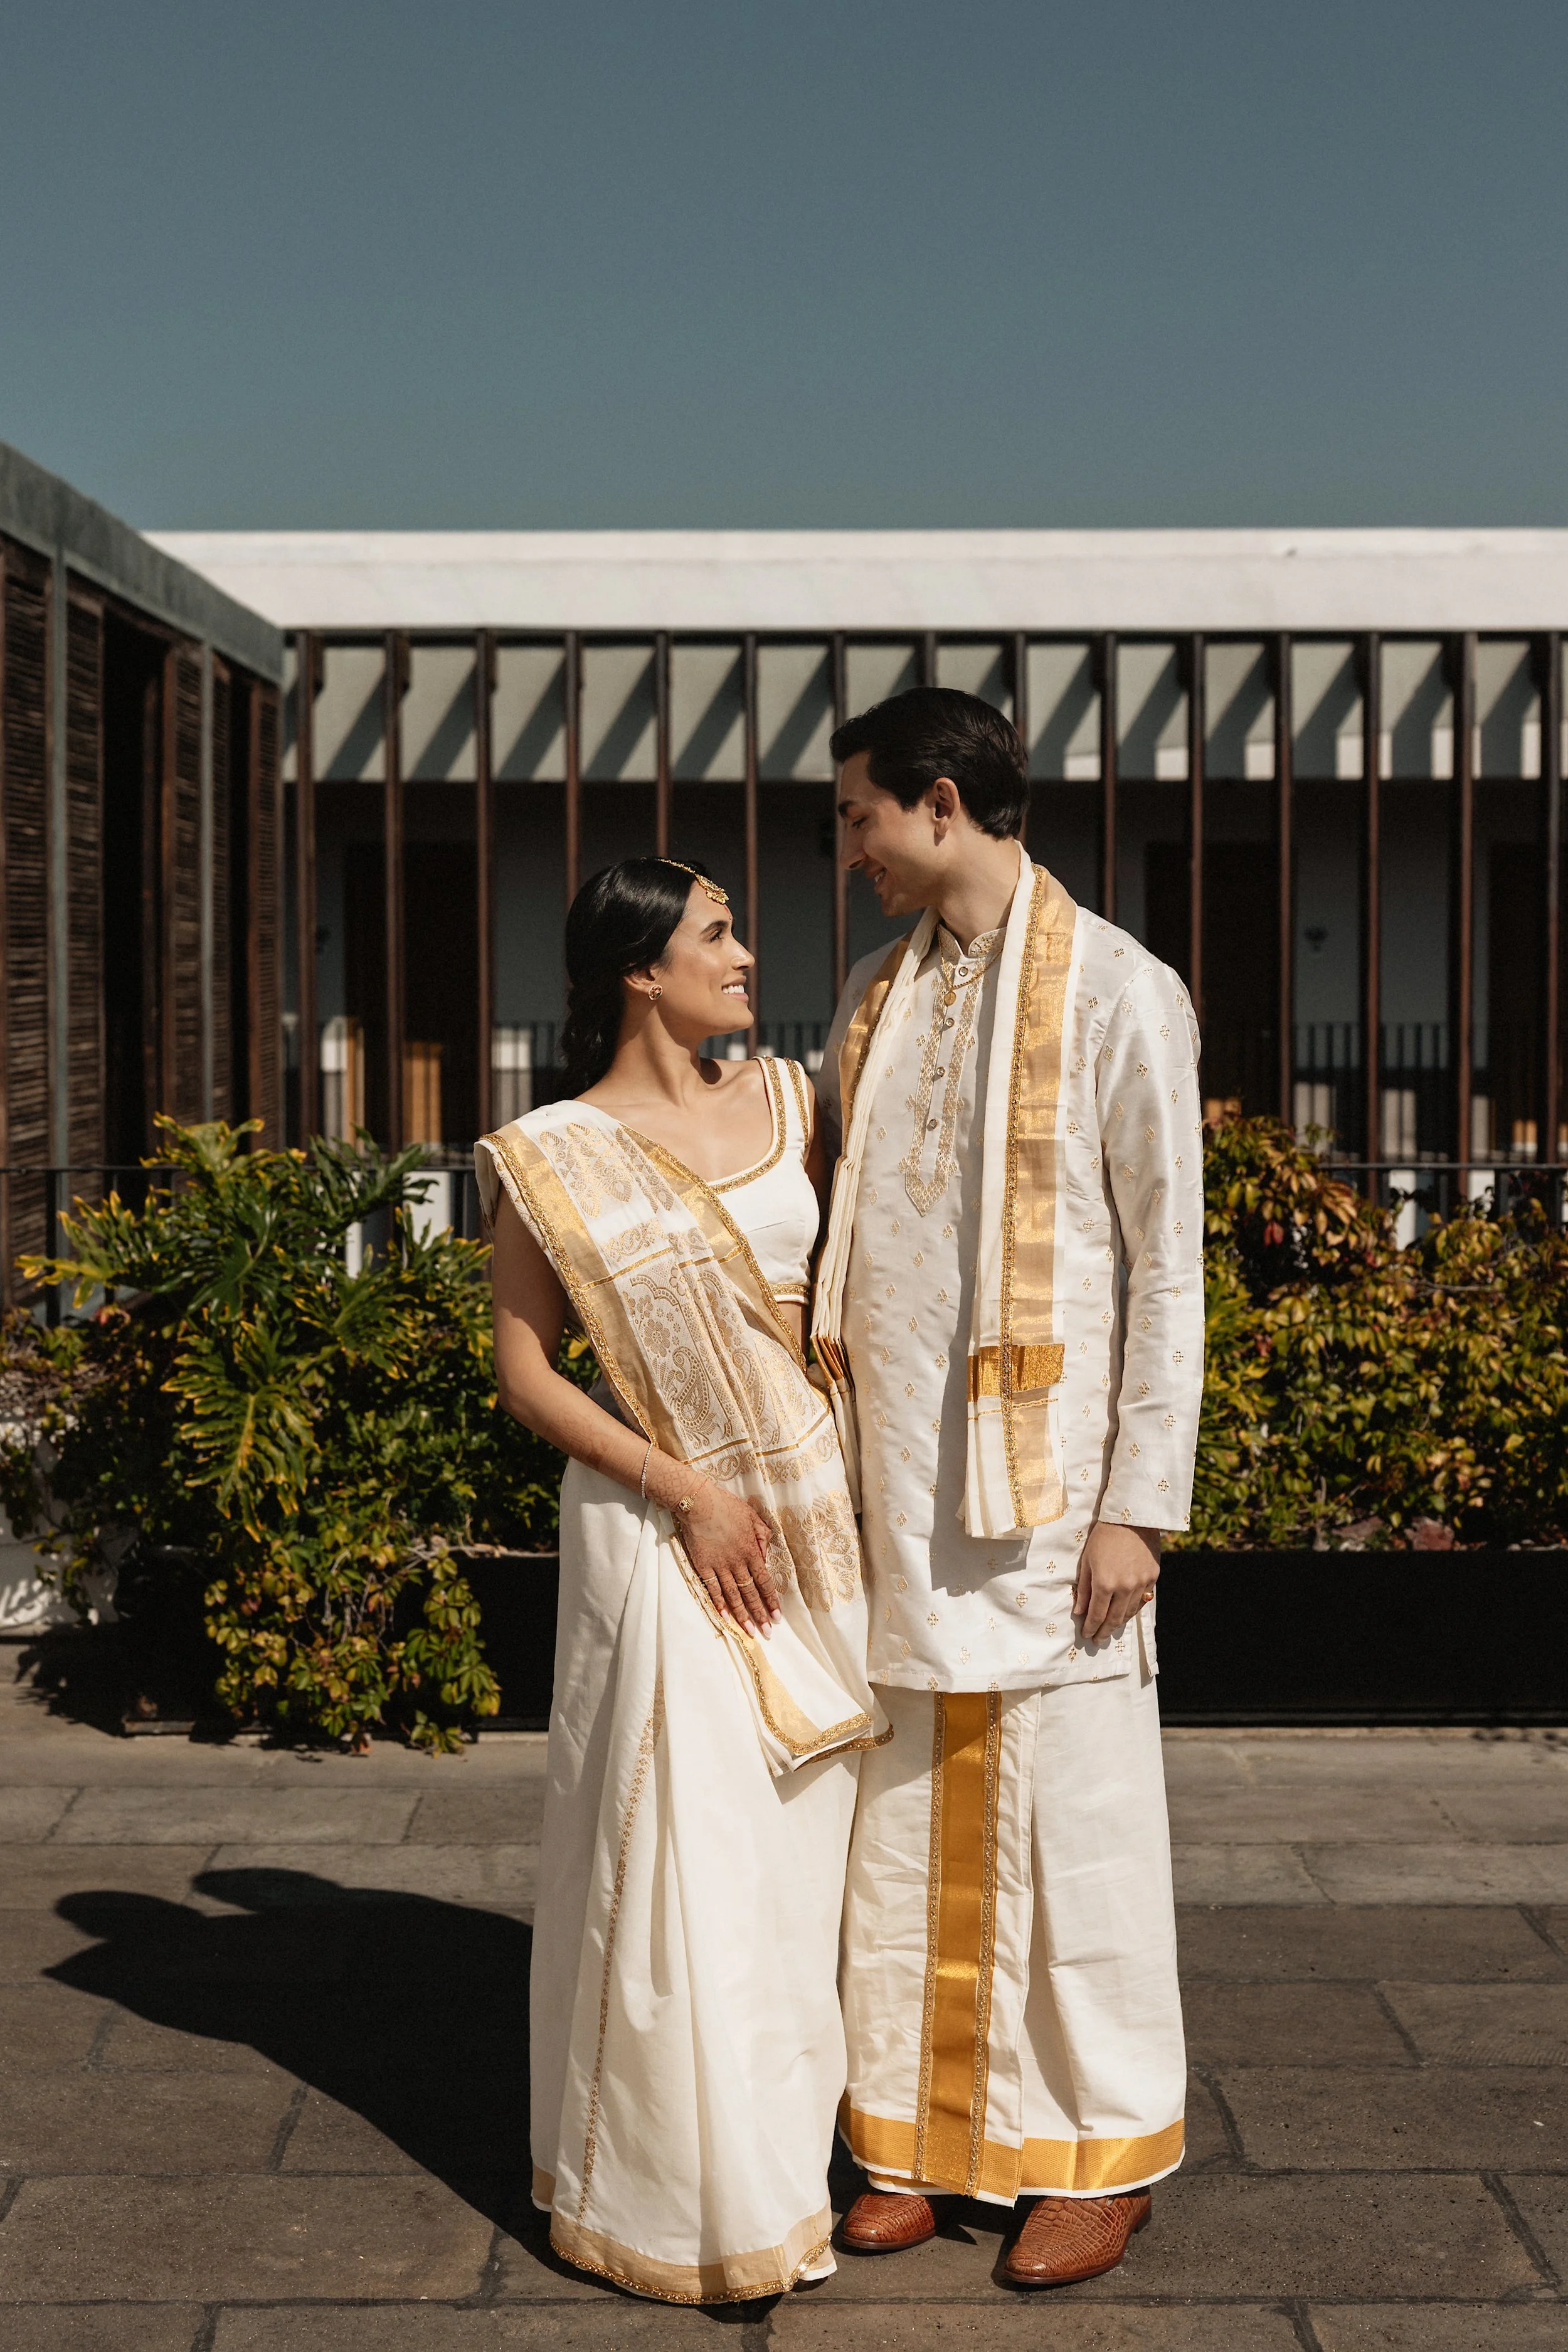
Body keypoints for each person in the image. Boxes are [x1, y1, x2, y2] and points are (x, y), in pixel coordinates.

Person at [812, 687, 1204, 2290]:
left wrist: (1137, 1506)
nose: (849, 851)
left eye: (859, 816)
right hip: (890, 1488)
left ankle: (1093, 2155)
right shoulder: (868, 997)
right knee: (899, 1813)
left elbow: (1168, 1267)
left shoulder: (1119, 988)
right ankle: (912, 2139)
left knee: (1073, 1820)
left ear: (941, 802)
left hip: (1051, 1500)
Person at [476, 857, 884, 2306]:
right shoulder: (551, 1152)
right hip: (660, 1534)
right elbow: (526, 1371)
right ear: (639, 970)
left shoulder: (793, 1102)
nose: (744, 952)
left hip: (814, 1523)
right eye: (717, 932)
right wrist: (687, 1492)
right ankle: (695, 2205)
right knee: (683, 1864)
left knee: (802, 1868)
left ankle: (797, 2154)